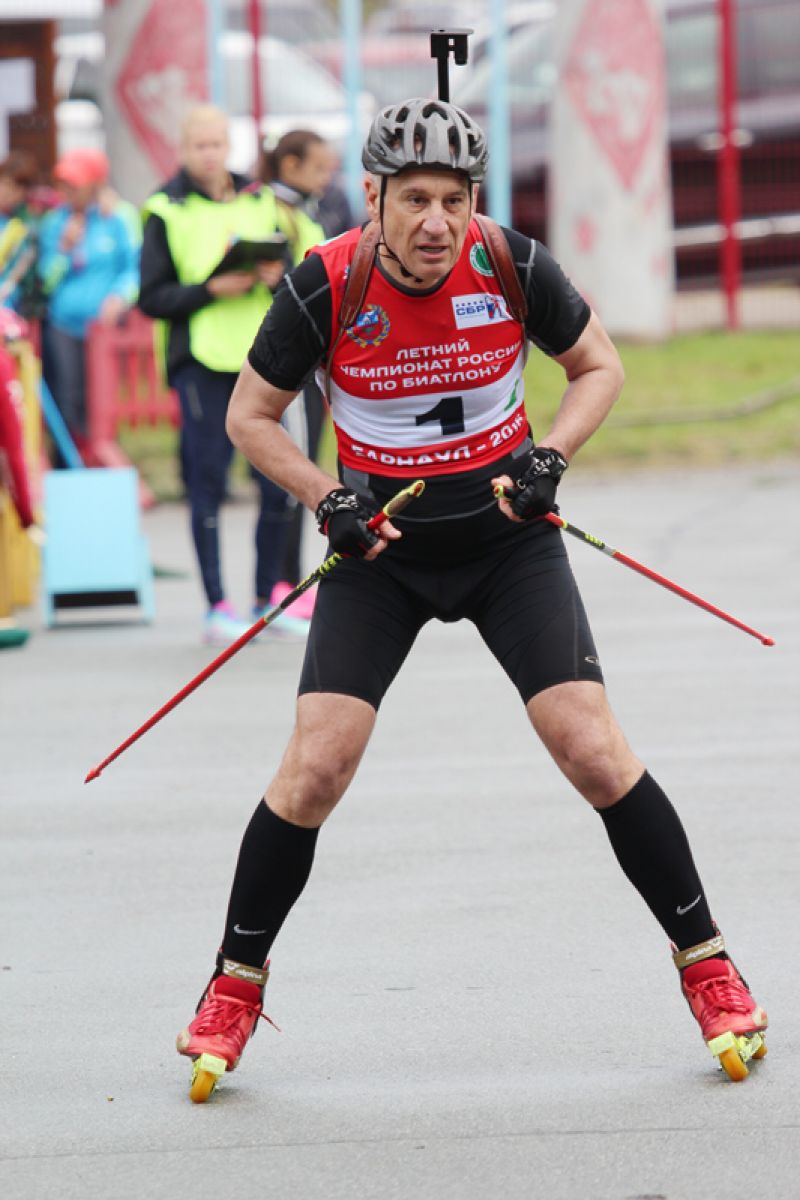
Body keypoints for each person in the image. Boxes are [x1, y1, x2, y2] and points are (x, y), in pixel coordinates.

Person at [176, 98, 767, 1099]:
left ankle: (708, 966)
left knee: (590, 747)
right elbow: (250, 416)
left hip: (505, 543)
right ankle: (232, 986)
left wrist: (550, 456)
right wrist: (327, 498)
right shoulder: (325, 281)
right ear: (372, 197)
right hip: (382, 552)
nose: (436, 223)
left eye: (453, 200)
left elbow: (598, 366)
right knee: (316, 766)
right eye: (414, 200)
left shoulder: (508, 261)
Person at [138, 105, 309, 645]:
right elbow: (152, 297)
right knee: (208, 481)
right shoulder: (164, 209)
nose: (210, 155)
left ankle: (266, 600)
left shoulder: (262, 200)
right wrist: (211, 290)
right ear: (184, 150)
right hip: (202, 364)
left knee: (277, 482)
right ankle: (216, 606)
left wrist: (274, 274)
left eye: (218, 144)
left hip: (263, 361)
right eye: (200, 146)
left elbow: (296, 273)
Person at [258, 130, 334, 617]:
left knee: (305, 465)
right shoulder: (269, 210)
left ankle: (288, 578)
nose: (326, 178)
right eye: (318, 168)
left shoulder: (305, 214)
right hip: (284, 361)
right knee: (293, 472)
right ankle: (282, 584)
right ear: (289, 165)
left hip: (313, 359)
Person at [37, 148, 139, 460]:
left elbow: (133, 267)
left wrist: (120, 296)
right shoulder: (54, 222)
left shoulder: (118, 217)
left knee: (101, 401)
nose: (67, 192)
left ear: (95, 184)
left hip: (103, 328)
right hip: (63, 325)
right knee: (68, 399)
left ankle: (100, 460)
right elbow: (46, 282)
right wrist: (64, 249)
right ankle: (69, 462)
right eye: (63, 185)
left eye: (75, 185)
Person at [0, 151, 43, 318]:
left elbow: (23, 273)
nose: (8, 192)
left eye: (16, 188)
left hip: (11, 310)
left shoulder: (27, 227)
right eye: (5, 184)